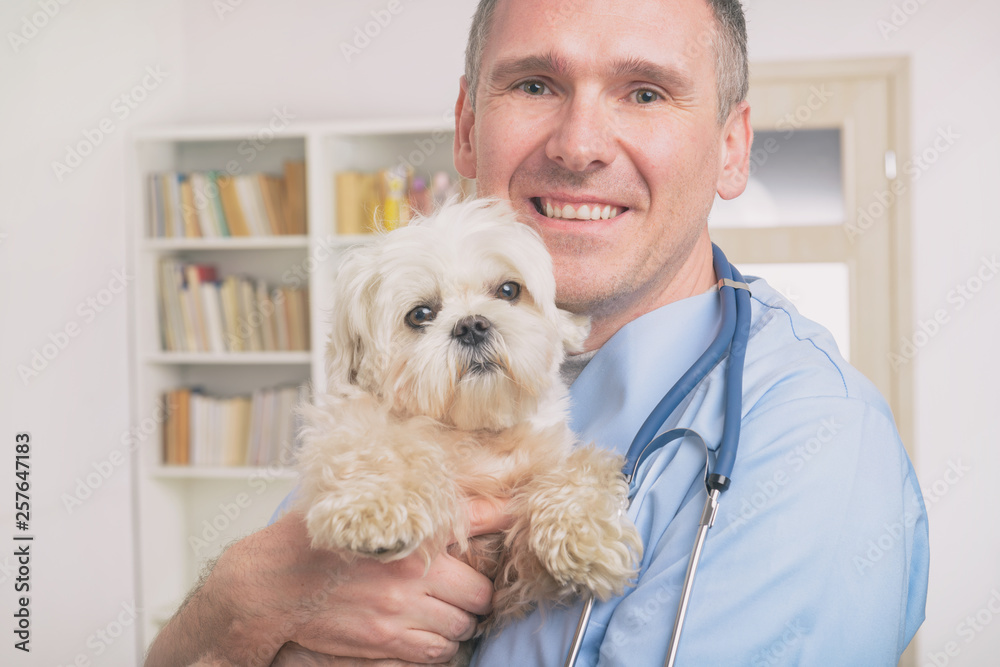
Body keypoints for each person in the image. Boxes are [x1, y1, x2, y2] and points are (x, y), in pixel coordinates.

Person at [145, 0, 929, 665]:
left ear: (731, 147)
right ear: (465, 126)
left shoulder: (814, 444)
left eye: (646, 92)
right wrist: (227, 605)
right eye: (534, 83)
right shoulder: (384, 425)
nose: (578, 144)